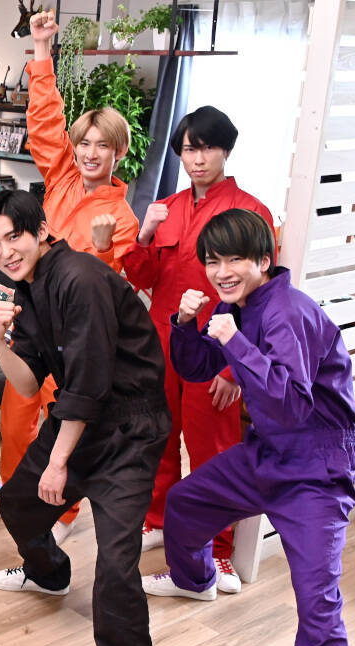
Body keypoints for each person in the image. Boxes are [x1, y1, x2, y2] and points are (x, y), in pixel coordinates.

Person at [143, 208, 355, 646]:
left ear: (263, 260)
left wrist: (236, 343)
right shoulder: (236, 305)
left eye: (234, 260)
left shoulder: (289, 312)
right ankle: (196, 580)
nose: (222, 272)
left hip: (317, 472)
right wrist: (184, 323)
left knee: (318, 607)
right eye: (213, 261)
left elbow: (292, 406)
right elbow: (198, 368)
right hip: (267, 453)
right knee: (185, 504)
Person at [0, 190, 169, 646]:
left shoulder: (79, 278)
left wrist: (58, 462)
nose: (5, 252)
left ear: (42, 231)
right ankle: (49, 574)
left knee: (116, 569)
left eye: (14, 237)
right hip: (81, 420)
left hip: (129, 429)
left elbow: (88, 384)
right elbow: (27, 383)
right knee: (18, 504)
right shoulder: (28, 290)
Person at [0, 9, 141, 546]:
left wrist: (104, 249)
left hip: (74, 340)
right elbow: (46, 120)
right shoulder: (63, 179)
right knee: (15, 412)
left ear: (119, 153)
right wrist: (42, 49)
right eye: (85, 143)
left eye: (103, 146)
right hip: (31, 321)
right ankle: (11, 488)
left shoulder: (123, 217)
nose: (91, 154)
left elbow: (108, 292)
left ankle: (64, 513)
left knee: (62, 423)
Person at [124, 106, 275, 593]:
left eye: (207, 147)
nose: (198, 159)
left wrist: (235, 370)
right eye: (189, 149)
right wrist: (144, 233)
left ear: (225, 150)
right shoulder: (166, 207)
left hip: (216, 349)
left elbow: (262, 300)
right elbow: (142, 276)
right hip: (161, 342)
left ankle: (220, 549)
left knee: (213, 451)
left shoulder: (251, 212)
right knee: (157, 436)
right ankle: (159, 519)